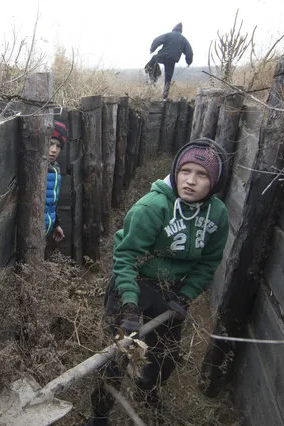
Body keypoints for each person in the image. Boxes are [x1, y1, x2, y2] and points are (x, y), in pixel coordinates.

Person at [87, 138, 230, 425]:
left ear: (214, 182)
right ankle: (100, 414)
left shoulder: (218, 215)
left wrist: (185, 296)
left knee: (164, 357)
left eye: (202, 175)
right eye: (185, 171)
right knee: (116, 356)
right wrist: (128, 305)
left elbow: (208, 262)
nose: (190, 181)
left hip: (170, 291)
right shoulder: (151, 207)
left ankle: (146, 392)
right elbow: (126, 257)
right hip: (134, 284)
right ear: (175, 170)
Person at [145, 23, 193, 100]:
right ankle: (165, 97)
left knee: (152, 62)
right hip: (172, 60)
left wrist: (152, 49)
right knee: (168, 79)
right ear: (180, 31)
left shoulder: (168, 35)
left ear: (173, 29)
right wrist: (188, 61)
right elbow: (189, 51)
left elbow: (157, 40)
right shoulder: (183, 40)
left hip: (162, 56)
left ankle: (151, 77)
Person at [45, 120, 67, 246]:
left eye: (58, 146)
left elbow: (51, 202)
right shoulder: (37, 169)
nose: (53, 150)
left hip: (45, 229)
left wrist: (55, 224)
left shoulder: (55, 169)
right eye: (50, 144)